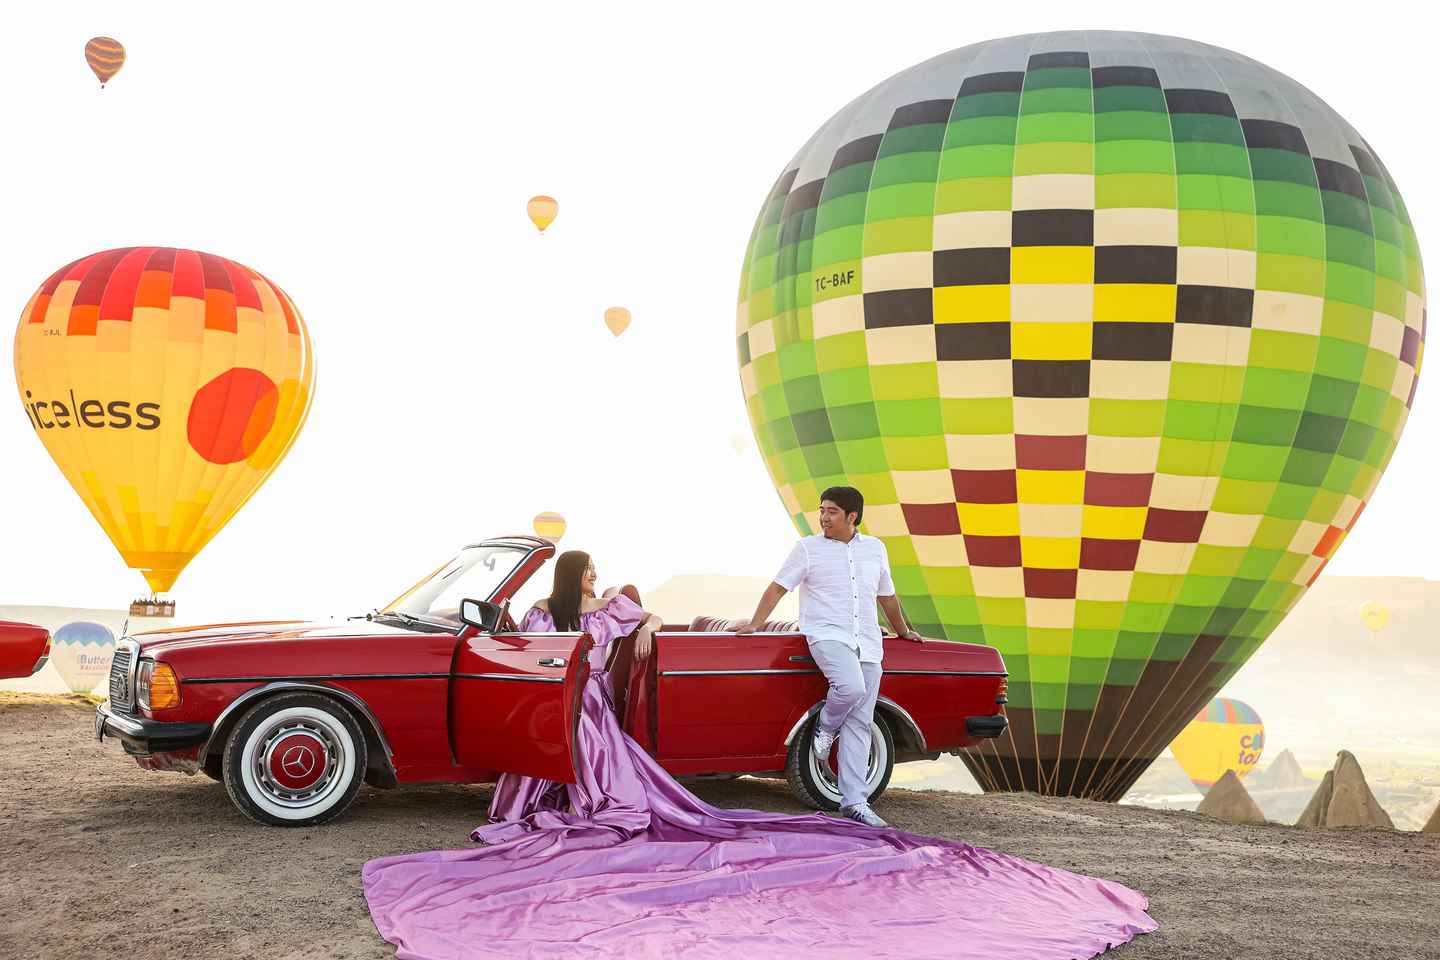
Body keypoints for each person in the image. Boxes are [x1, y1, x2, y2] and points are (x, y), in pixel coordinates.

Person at [361, 545, 1158, 960]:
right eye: (594, 571)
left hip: (583, 710)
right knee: (592, 775)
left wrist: (631, 620)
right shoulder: (558, 614)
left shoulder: (577, 611)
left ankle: (835, 783)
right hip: (576, 706)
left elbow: (637, 628)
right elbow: (599, 637)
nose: (602, 577)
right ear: (579, 576)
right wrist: (623, 621)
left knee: (590, 779)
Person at [734, 485, 916, 828]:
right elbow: (778, 587)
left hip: (869, 641)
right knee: (850, 687)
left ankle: (855, 803)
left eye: (831, 511)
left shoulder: (875, 549)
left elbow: (887, 595)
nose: (823, 517)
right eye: (821, 510)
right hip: (827, 635)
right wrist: (756, 624)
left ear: (852, 516)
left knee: (861, 721)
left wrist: (903, 631)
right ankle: (825, 727)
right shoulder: (807, 549)